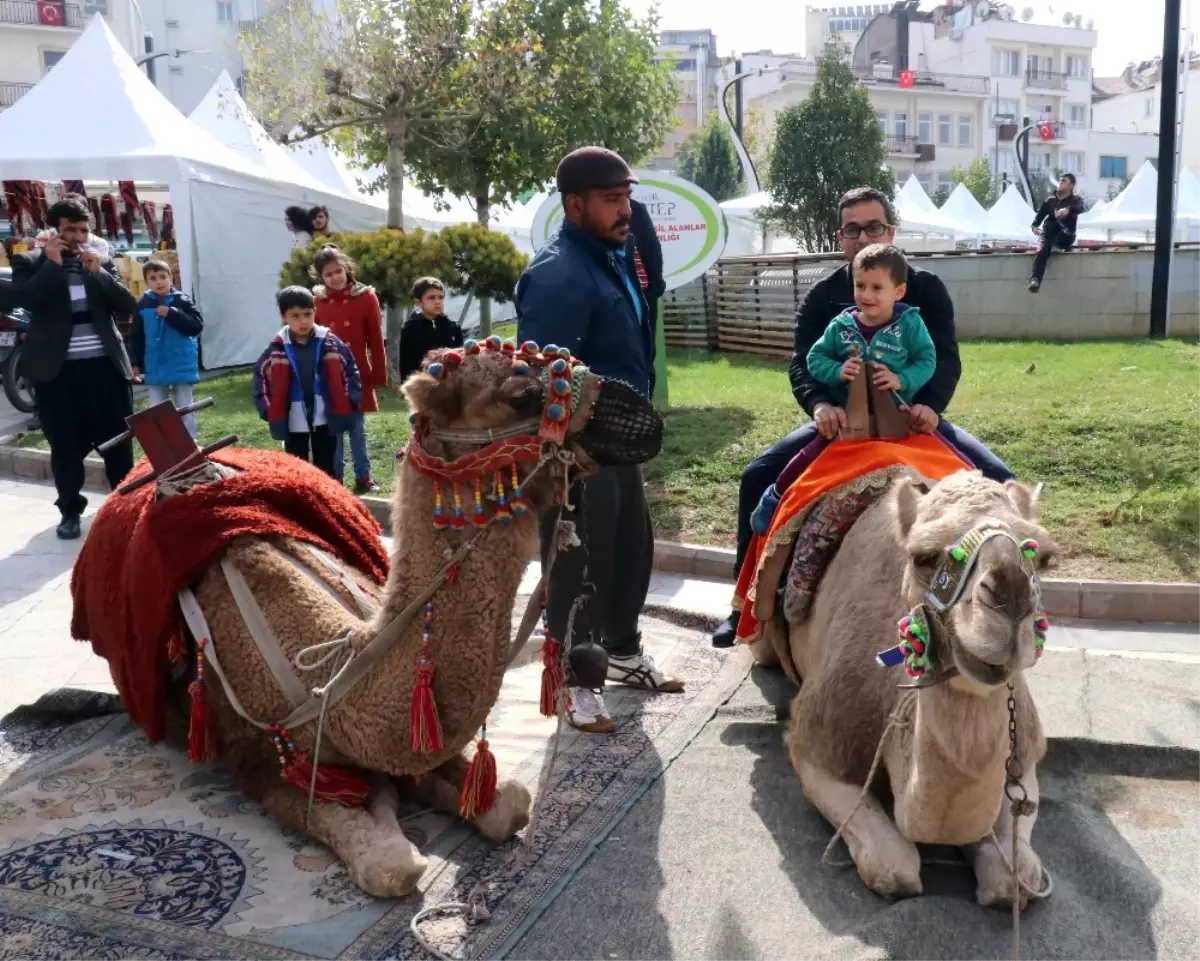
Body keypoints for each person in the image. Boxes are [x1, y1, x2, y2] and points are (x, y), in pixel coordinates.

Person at [711, 186, 1016, 647]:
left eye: (873, 226)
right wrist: (820, 405)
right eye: (852, 228)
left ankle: (1008, 605)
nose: (862, 235)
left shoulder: (926, 290)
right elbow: (802, 362)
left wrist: (929, 407)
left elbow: (944, 358)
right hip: (841, 424)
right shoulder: (824, 296)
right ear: (841, 237)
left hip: (911, 419)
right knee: (759, 477)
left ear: (891, 231)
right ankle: (745, 607)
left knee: (998, 480)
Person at [515, 146, 683, 735]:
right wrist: (568, 458)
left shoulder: (616, 252)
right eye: (613, 200)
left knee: (629, 550)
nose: (626, 211)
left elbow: (646, 298)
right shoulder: (558, 273)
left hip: (618, 438)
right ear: (575, 204)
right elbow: (540, 378)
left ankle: (623, 653)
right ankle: (574, 683)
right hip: (579, 451)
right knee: (576, 564)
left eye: (628, 198)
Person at [750, 244, 936, 535]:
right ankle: (775, 496)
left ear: (898, 292)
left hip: (899, 415)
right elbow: (813, 358)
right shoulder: (841, 326)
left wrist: (902, 379)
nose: (867, 295)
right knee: (811, 455)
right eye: (860, 285)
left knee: (941, 458)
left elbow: (927, 359)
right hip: (848, 419)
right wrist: (837, 372)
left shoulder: (910, 323)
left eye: (877, 287)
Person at [10, 196, 138, 540]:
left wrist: (99, 274)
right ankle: (69, 511)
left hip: (106, 371)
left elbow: (127, 305)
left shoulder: (99, 260)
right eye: (71, 229)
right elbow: (20, 300)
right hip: (57, 375)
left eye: (84, 229)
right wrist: (51, 266)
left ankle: (122, 511)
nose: (79, 236)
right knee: (64, 447)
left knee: (118, 444)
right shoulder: (31, 260)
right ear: (55, 229)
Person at [252, 286, 363, 479]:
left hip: (325, 417)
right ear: (283, 316)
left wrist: (349, 400)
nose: (303, 321)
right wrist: (268, 411)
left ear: (314, 312)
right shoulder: (276, 349)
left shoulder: (331, 342)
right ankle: (301, 505)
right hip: (293, 421)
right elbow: (261, 380)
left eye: (307, 314)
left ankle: (329, 504)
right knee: (296, 470)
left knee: (327, 469)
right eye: (295, 316)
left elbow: (351, 373)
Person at [312, 245, 385, 493]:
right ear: (321, 277)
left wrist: (377, 373)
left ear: (347, 269)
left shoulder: (366, 297)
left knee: (356, 427)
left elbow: (375, 338)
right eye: (328, 274)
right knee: (334, 429)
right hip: (328, 374)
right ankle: (336, 478)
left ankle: (363, 476)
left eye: (338, 271)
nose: (335, 277)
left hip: (357, 373)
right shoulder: (316, 301)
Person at [131, 259, 204, 438]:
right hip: (155, 363)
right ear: (147, 282)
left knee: (185, 407)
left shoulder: (183, 301)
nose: (159, 281)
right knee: (158, 408)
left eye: (163, 276)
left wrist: (172, 313)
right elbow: (137, 337)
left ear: (171, 278)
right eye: (153, 278)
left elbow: (196, 327)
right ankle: (166, 444)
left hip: (181, 361)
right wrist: (136, 363)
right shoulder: (143, 306)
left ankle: (190, 445)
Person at [398, 277, 464, 384]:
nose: (437, 301)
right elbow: (406, 363)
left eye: (440, 297)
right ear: (418, 302)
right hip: (423, 384)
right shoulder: (410, 328)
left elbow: (460, 358)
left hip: (449, 384)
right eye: (431, 298)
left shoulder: (453, 327)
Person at [1029, 173, 1083, 293]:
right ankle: (1035, 280)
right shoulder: (1050, 200)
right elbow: (1039, 217)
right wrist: (1034, 227)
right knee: (1042, 250)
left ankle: (1056, 246)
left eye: (1064, 181)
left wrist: (1068, 210)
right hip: (1049, 233)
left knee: (1060, 238)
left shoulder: (1075, 200)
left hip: (1066, 234)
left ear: (1071, 185)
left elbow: (1080, 208)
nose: (1060, 182)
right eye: (1059, 180)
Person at [630, 197, 665, 332]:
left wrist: (655, 285)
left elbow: (652, 248)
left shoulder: (636, 210)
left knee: (646, 345)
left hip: (644, 292)